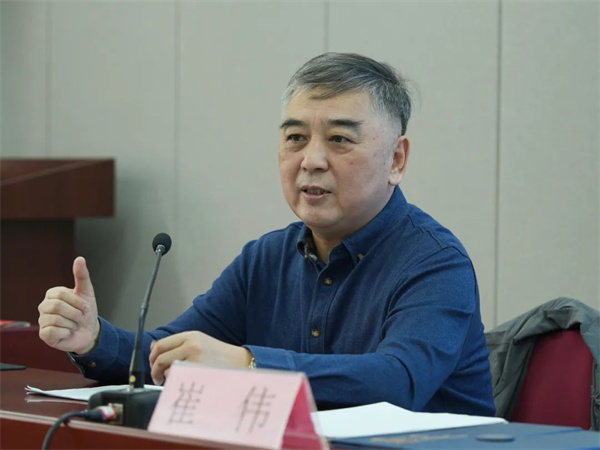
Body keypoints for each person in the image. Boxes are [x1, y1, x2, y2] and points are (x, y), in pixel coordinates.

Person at [38, 52, 495, 415]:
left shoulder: (435, 262)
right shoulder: (266, 258)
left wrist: (248, 364)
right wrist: (93, 337)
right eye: (295, 138)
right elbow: (167, 354)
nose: (311, 160)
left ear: (396, 160)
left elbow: (399, 380)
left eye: (339, 139)